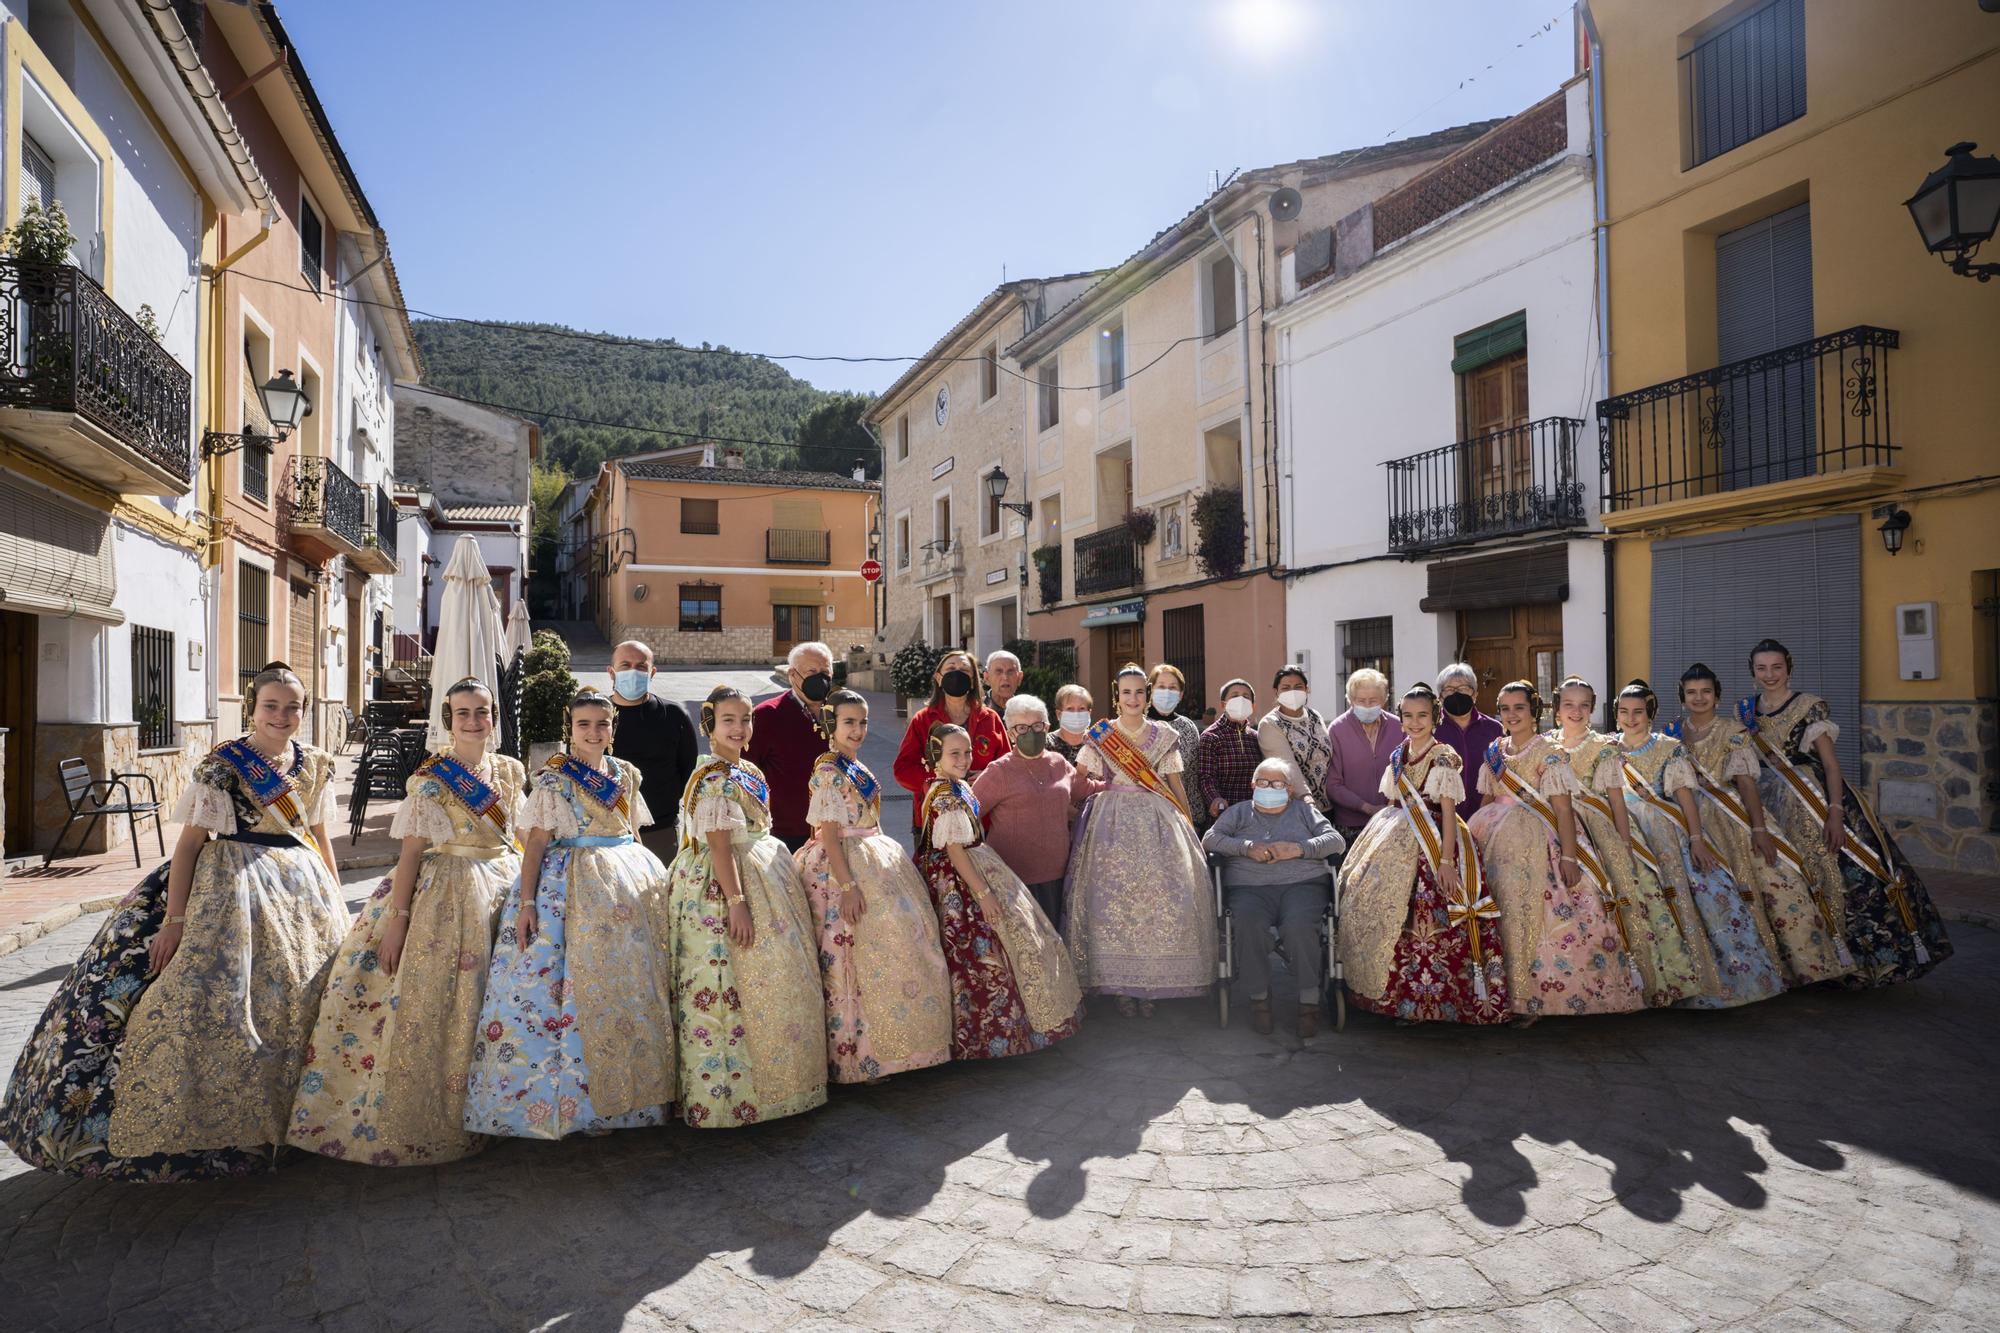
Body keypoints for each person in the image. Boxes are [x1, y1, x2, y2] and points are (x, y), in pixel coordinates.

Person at [0, 664, 348, 1180]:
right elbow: (188, 848)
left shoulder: (315, 764)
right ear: (252, 708)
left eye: (292, 706)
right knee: (215, 1004)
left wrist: (338, 900)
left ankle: (304, 1121)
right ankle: (224, 1136)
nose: (282, 716)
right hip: (232, 886)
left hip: (303, 892)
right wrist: (175, 919)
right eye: (271, 705)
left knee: (306, 1001)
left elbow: (319, 838)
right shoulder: (223, 766)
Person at [289, 678, 525, 1165]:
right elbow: (412, 853)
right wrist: (397, 920)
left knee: (496, 1001)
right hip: (446, 897)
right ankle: (436, 1116)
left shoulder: (509, 771)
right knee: (444, 1003)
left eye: (482, 712)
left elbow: (517, 837)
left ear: (493, 717)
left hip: (503, 885)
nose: (474, 722)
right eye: (464, 714)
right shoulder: (431, 780)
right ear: (448, 720)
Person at [463, 690, 676, 1138]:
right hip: (569, 893)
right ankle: (572, 1105)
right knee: (567, 992)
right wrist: (525, 903)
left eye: (602, 723)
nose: (594, 732)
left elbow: (634, 833)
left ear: (613, 728)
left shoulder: (627, 775)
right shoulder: (554, 780)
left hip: (625, 889)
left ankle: (629, 1098)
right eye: (584, 724)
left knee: (627, 988)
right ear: (570, 729)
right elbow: (535, 844)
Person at [659, 686, 827, 1127]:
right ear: (709, 725)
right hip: (723, 887)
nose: (739, 728)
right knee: (725, 986)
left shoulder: (748, 769)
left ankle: (779, 1082)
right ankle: (728, 1099)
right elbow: (717, 844)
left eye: (745, 719)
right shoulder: (713, 777)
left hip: (764, 875)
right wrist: (736, 903)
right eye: (728, 720)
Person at [1745, 639, 1951, 987]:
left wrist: (1836, 813)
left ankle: (1858, 964)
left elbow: (1831, 764)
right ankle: (1808, 962)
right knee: (1793, 880)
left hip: (1817, 801)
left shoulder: (1809, 708)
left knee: (1844, 877)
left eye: (1776, 667)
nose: (1769, 675)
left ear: (1789, 669)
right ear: (1753, 671)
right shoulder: (1746, 712)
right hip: (1774, 807)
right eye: (1762, 668)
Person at [797, 689, 952, 1082]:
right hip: (840, 869)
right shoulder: (829, 770)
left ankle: (896, 1046)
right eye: (849, 722)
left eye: (863, 722)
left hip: (873, 857)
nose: (859, 730)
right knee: (848, 958)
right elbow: (828, 835)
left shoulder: (854, 765)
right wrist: (847, 886)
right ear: (831, 725)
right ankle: (858, 1058)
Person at [1466, 681, 1646, 1021]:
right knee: (1499, 912)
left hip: (1539, 841)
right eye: (1505, 708)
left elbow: (1563, 810)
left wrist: (1568, 856)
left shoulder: (1549, 753)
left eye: (1519, 707)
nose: (1512, 715)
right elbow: (1487, 797)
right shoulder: (1495, 750)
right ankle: (1501, 992)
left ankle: (1536, 997)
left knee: (1534, 915)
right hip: (1493, 838)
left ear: (1534, 710)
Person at [1665, 664, 1852, 989]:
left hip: (1731, 818)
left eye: (1706, 692)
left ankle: (1796, 967)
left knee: (1774, 883)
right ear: (1682, 696)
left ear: (1717, 696)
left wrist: (1760, 828)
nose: (1699, 698)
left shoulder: (1732, 731)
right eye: (1692, 692)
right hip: (1692, 819)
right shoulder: (1672, 734)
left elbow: (1747, 784)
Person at [1337, 683, 1509, 1026]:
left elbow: (1447, 813)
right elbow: (1393, 801)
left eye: (1423, 716)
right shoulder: (1399, 753)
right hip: (1395, 838)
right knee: (1391, 914)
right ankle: (1396, 998)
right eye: (1408, 716)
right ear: (1400, 718)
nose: (1415, 722)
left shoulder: (1442, 755)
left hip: (1435, 845)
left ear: (1435, 718)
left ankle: (1439, 1000)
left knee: (1430, 920)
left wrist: (1446, 862)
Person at [1612, 681, 1783, 1009]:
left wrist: (1696, 839)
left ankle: (1706, 981)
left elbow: (1685, 797)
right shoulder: (1607, 749)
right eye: (1623, 712)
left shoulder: (1667, 748)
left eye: (1638, 712)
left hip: (1662, 831)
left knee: (1690, 903)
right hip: (1622, 830)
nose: (1630, 718)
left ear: (1651, 714)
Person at [1548, 677, 1717, 1008]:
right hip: (1554, 827)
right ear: (1557, 710)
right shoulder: (1546, 744)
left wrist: (1624, 844)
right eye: (1569, 705)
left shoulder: (1604, 747)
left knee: (1631, 901)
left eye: (1584, 705)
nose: (1576, 711)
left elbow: (1616, 800)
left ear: (1593, 710)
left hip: (1598, 828)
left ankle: (1645, 981)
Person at [916, 724, 1084, 1058]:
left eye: (967, 753)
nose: (963, 759)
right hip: (961, 877)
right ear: (936, 756)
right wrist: (982, 893)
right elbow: (954, 850)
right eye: (954, 754)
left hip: (979, 863)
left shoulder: (958, 785)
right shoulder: (946, 794)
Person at [1063, 664, 1218, 1018]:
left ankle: (1151, 985)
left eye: (1139, 692)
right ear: (1116, 697)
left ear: (1147, 696)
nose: (1133, 699)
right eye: (1126, 692)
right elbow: (1078, 781)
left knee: (1157, 901)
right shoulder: (1101, 734)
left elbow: (1175, 783)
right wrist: (1103, 791)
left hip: (1158, 821)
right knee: (1112, 904)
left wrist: (1188, 824)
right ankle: (1120, 987)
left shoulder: (1164, 734)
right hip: (1110, 826)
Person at [1202, 758, 1345, 1037]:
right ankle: (1259, 1000)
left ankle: (1308, 1002)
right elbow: (1211, 839)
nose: (1270, 787)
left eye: (1277, 783)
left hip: (1302, 885)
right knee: (1248, 924)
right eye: (1264, 783)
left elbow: (1335, 840)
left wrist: (1299, 849)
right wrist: (1246, 847)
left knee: (1299, 927)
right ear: (1253, 786)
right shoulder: (1239, 813)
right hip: (1250, 889)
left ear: (1289, 789)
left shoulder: (1304, 812)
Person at [970, 694, 1093, 929]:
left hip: (1059, 878)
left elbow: (1087, 789)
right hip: (1014, 881)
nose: (1031, 733)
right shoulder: (999, 771)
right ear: (1011, 733)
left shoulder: (1058, 763)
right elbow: (968, 814)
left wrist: (1126, 787)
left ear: (1047, 727)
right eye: (1022, 728)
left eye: (1037, 726)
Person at [893, 649, 1009, 830]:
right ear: (939, 678)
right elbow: (903, 769)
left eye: (964, 670)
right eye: (951, 669)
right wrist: (936, 783)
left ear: (972, 681)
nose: (957, 674)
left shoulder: (991, 718)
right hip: (935, 818)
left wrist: (988, 778)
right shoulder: (923, 720)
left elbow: (1007, 766)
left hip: (982, 818)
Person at [605, 639, 700, 860]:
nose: (633, 671)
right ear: (611, 672)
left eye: (641, 666)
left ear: (652, 672)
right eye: (625, 665)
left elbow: (689, 772)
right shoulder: (597, 718)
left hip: (661, 833)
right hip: (607, 833)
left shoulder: (673, 715)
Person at [747, 641, 837, 852]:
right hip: (784, 835)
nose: (820, 677)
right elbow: (747, 773)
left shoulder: (840, 712)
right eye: (812, 671)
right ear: (792, 675)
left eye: (825, 671)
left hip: (835, 831)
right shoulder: (766, 715)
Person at [1325, 667, 1404, 843]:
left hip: (1393, 821)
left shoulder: (1399, 727)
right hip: (1351, 825)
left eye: (1373, 700)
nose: (1367, 706)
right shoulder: (1337, 729)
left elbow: (1408, 772)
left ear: (1384, 700)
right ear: (1350, 700)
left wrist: (1390, 806)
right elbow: (1333, 783)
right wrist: (1366, 808)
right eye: (1361, 700)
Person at [1435, 663, 1505, 818]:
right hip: (1441, 821)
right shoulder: (1431, 729)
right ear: (1440, 696)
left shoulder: (1494, 729)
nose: (1456, 694)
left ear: (1475, 694)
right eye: (1449, 690)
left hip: (1485, 818)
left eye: (1463, 688)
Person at [1258, 664, 1332, 810]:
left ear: (1306, 689)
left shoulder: (1315, 716)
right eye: (1285, 688)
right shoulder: (1270, 724)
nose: (1292, 692)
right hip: (1298, 807)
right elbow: (1287, 766)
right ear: (1276, 692)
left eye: (1298, 687)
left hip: (1329, 805)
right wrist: (1306, 798)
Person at [1196, 678, 1263, 823]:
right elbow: (1206, 777)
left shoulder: (1256, 737)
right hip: (1223, 816)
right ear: (1222, 704)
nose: (1241, 700)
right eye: (1234, 696)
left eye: (1246, 697)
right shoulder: (1211, 736)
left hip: (1254, 816)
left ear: (1253, 706)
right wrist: (1214, 799)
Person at [1145, 663, 1203, 785]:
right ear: (1150, 691)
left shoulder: (1189, 727)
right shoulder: (1139, 724)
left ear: (1181, 694)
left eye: (1172, 688)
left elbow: (1193, 775)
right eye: (1161, 687)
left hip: (1184, 801)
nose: (1166, 692)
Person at [1049, 684, 1096, 765]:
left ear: (1089, 713)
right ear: (1059, 714)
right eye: (1070, 708)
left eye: (1082, 708)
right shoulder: (1046, 745)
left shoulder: (1098, 743)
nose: (1076, 714)